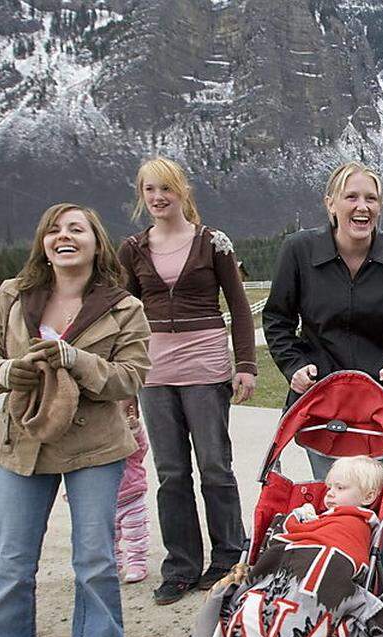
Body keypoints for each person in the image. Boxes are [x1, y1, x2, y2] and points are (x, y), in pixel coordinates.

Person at [263, 161, 383, 594]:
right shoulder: (299, 251)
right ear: (331, 204)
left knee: (375, 508)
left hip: (379, 407)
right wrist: (292, 365)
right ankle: (329, 598)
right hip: (322, 405)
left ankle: (377, 601)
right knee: (333, 501)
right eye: (352, 197)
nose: (362, 207)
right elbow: (278, 320)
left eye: (371, 198)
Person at [0, 203, 151, 637]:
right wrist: (10, 371)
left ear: (95, 241)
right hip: (24, 443)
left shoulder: (125, 307)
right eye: (53, 230)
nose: (64, 237)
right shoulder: (10, 296)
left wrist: (75, 359)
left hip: (95, 449)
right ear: (43, 243)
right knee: (11, 566)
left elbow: (132, 377)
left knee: (96, 564)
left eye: (76, 229)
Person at [117, 156, 258, 606]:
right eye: (149, 190)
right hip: (154, 373)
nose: (158, 198)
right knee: (171, 472)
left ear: (183, 192)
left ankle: (228, 559)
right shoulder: (132, 249)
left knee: (215, 467)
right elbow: (124, 317)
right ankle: (180, 567)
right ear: (142, 196)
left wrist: (246, 365)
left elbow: (238, 306)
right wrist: (125, 381)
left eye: (166, 189)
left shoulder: (213, 243)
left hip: (206, 367)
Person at [200, 456, 383, 637]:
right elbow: (299, 540)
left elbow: (335, 550)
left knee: (274, 613)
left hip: (321, 581)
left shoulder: (357, 523)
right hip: (290, 573)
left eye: (340, 488)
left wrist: (293, 521)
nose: (330, 493)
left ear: (368, 496)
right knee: (249, 608)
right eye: (329, 487)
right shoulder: (324, 519)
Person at [114, 406, 152, 584]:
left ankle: (137, 563)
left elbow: (141, 448)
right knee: (107, 536)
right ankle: (112, 564)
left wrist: (135, 429)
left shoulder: (127, 442)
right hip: (106, 501)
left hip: (132, 497)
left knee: (136, 535)